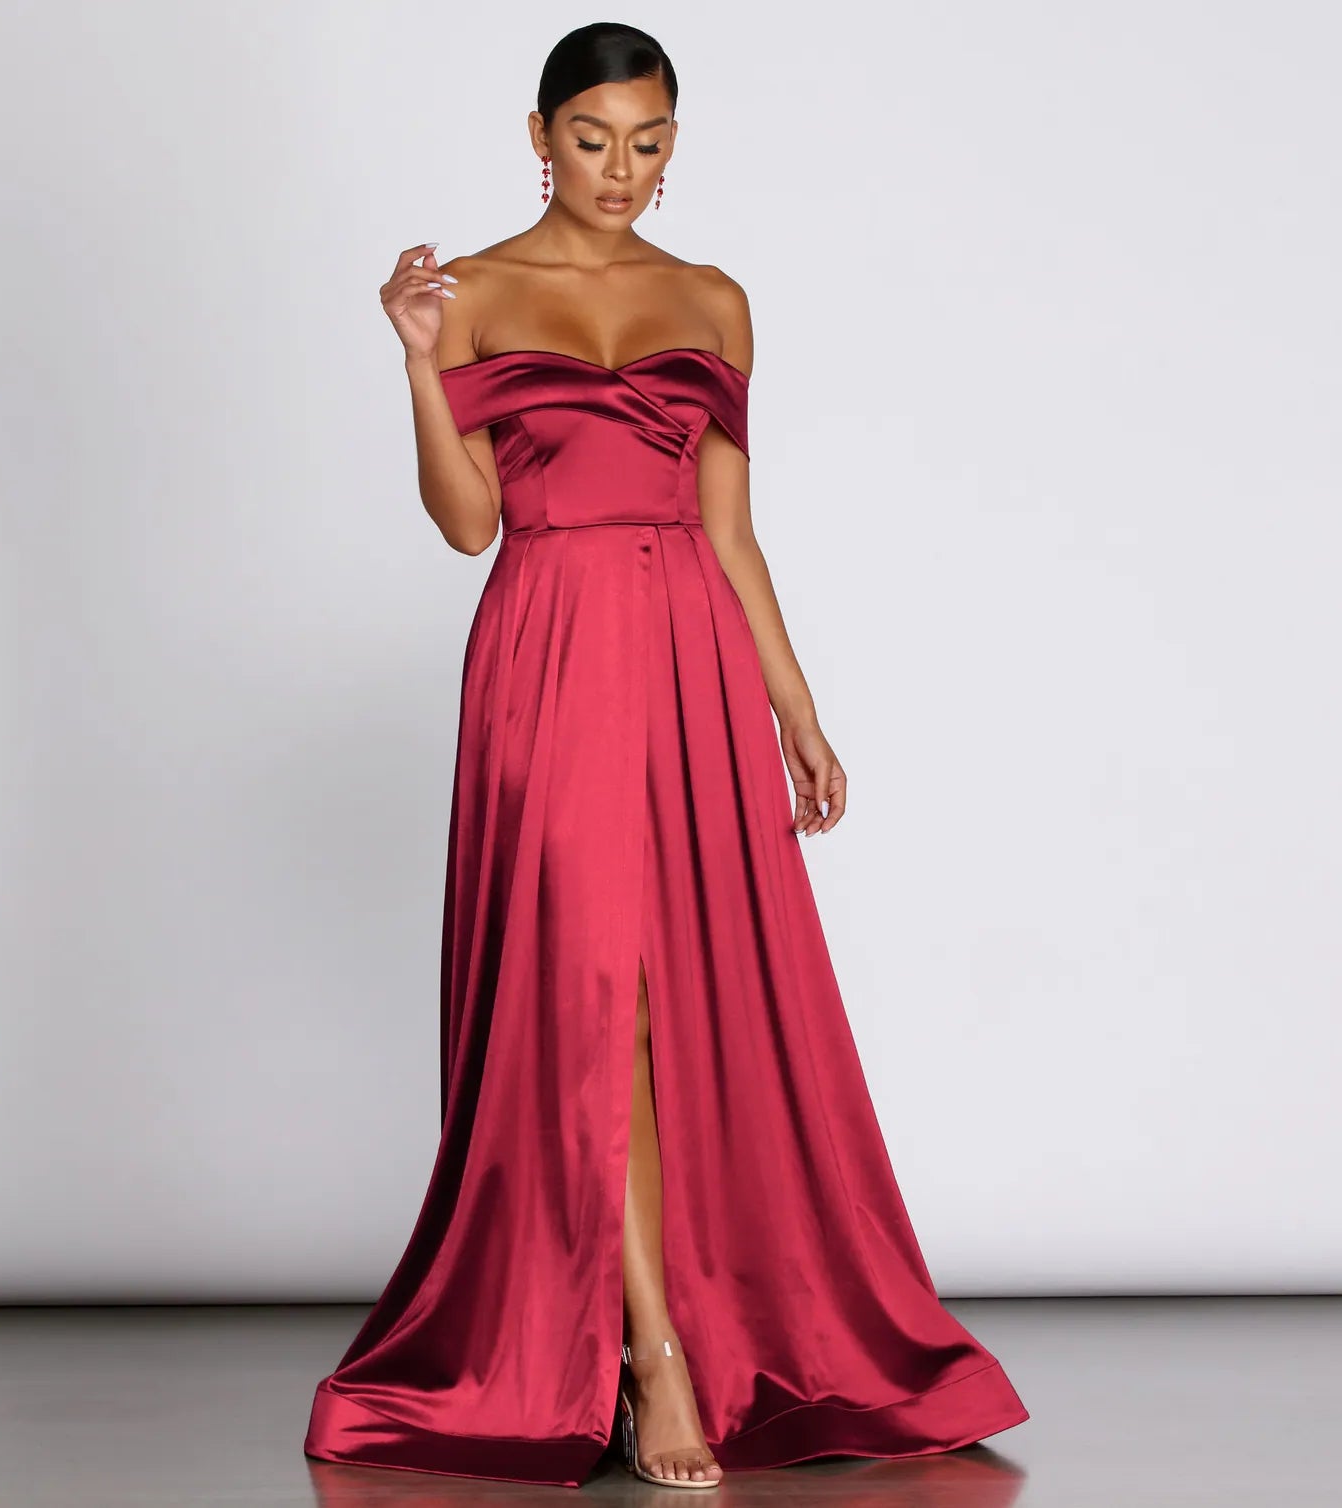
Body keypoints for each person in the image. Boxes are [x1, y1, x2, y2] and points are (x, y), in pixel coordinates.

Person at [304, 21, 1030, 1491]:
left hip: (691, 659)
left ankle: (695, 1331)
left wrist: (796, 709)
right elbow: (466, 524)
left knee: (688, 999)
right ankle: (652, 1357)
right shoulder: (475, 293)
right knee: (598, 1000)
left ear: (674, 143)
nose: (620, 168)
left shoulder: (713, 300)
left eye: (647, 141)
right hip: (551, 655)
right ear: (538, 137)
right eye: (591, 139)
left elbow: (732, 530)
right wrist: (419, 361)